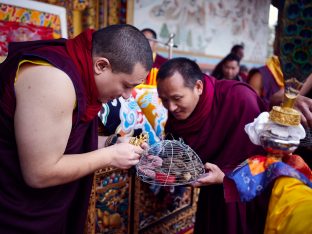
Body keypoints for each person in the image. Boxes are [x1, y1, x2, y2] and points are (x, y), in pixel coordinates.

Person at [0, 24, 153, 233]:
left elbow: (61, 144)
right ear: (101, 65)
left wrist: (113, 143)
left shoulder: (79, 71)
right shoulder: (54, 80)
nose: (128, 95)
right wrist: (110, 156)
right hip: (13, 213)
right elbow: (39, 173)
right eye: (126, 85)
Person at [156, 57, 268, 234]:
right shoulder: (179, 114)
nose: (171, 107)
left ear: (198, 87)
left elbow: (265, 161)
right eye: (164, 100)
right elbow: (175, 149)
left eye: (177, 98)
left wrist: (225, 178)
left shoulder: (239, 99)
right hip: (212, 196)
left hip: (246, 197)